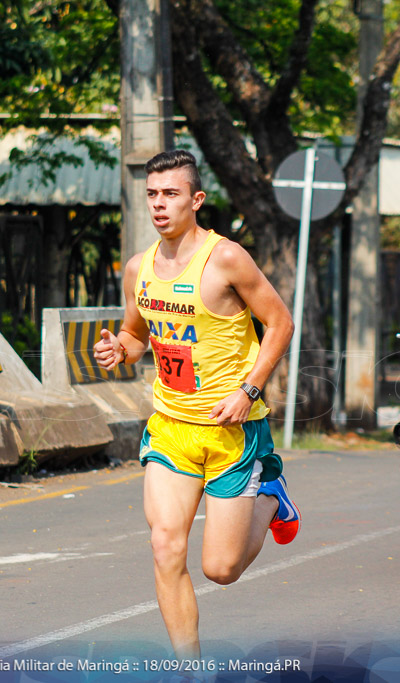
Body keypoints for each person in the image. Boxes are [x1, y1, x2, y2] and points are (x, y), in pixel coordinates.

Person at [93, 149, 297, 659]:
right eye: (152, 195)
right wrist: (119, 349)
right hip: (170, 427)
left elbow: (280, 323)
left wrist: (249, 389)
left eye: (171, 194)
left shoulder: (226, 258)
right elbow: (137, 335)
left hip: (232, 431)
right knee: (165, 547)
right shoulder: (138, 267)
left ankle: (272, 495)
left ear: (196, 199)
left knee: (220, 570)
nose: (160, 205)